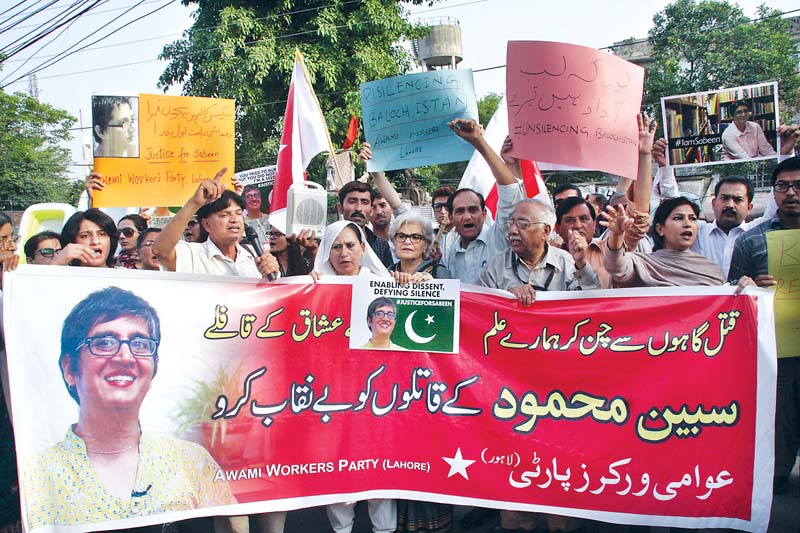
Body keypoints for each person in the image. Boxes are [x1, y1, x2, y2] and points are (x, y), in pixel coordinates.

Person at [20, 287, 237, 529]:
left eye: (140, 343)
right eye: (104, 342)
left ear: (153, 367)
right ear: (70, 369)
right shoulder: (34, 477)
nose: (125, 357)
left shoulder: (191, 462)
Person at [313, 221, 395, 533]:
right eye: (336, 246)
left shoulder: (383, 285)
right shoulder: (317, 286)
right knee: (337, 464)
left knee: (380, 465)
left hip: (380, 395)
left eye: (350, 245)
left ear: (363, 248)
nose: (344, 253)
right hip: (333, 396)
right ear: (327, 252)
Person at [728, 156, 800, 494]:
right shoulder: (751, 240)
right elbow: (730, 292)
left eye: (798, 185)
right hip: (778, 353)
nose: (791, 193)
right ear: (773, 192)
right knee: (780, 424)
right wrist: (749, 285)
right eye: (783, 186)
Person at [153, 168, 278, 280]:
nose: (234, 219)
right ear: (206, 224)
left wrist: (273, 273)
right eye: (224, 215)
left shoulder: (253, 254)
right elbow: (160, 251)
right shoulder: (193, 254)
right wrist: (194, 203)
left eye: (238, 213)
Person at [444, 119, 524, 284]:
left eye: (473, 210)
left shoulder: (500, 237)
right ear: (450, 218)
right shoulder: (450, 253)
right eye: (459, 211)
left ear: (484, 213)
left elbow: (510, 190)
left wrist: (478, 141)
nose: (467, 217)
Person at [480, 199, 600, 306]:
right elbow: (482, 309)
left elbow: (593, 302)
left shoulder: (566, 262)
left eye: (522, 225)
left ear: (546, 231)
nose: (512, 231)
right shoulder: (495, 267)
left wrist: (582, 264)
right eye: (511, 224)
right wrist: (508, 298)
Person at [602, 196, 742, 288]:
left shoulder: (712, 271)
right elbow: (616, 266)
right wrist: (617, 235)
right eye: (678, 218)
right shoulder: (644, 264)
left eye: (693, 218)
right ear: (660, 229)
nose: (687, 224)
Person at [554, 196, 610, 288]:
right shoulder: (550, 256)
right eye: (569, 220)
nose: (578, 225)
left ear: (594, 224)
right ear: (558, 228)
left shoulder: (609, 252)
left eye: (584, 219)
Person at [337, 181, 393, 267]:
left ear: (370, 210)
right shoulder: (328, 241)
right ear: (340, 208)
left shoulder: (381, 245)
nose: (358, 208)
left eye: (365, 202)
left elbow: (389, 276)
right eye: (352, 201)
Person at [389, 212, 451, 284]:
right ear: (393, 241)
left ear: (426, 244)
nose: (407, 242)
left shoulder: (439, 274)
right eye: (401, 236)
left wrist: (433, 283)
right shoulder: (385, 274)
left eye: (415, 237)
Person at [54, 209, 118, 268]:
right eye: (85, 236)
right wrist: (57, 264)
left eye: (102, 234)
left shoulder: (125, 276)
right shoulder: (62, 276)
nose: (95, 241)